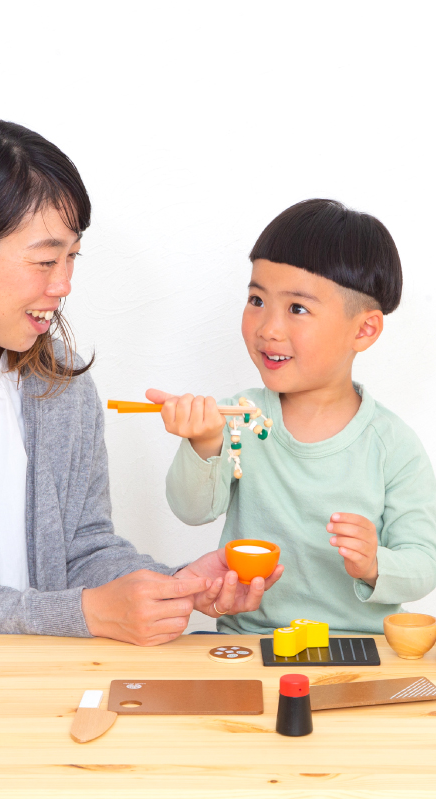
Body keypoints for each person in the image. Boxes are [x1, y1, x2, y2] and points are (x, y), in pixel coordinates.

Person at [0, 119, 283, 798]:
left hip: (53, 702)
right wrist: (87, 612)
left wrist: (170, 583)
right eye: (45, 260)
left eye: (73, 258)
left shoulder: (59, 384)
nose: (65, 285)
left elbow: (82, 547)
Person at [147, 199, 436, 636]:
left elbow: (424, 562)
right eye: (257, 299)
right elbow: (190, 510)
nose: (268, 328)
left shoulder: (392, 444)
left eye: (297, 308)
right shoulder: (238, 417)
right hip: (249, 642)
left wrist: (377, 564)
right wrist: (204, 444)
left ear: (364, 329)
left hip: (360, 651)